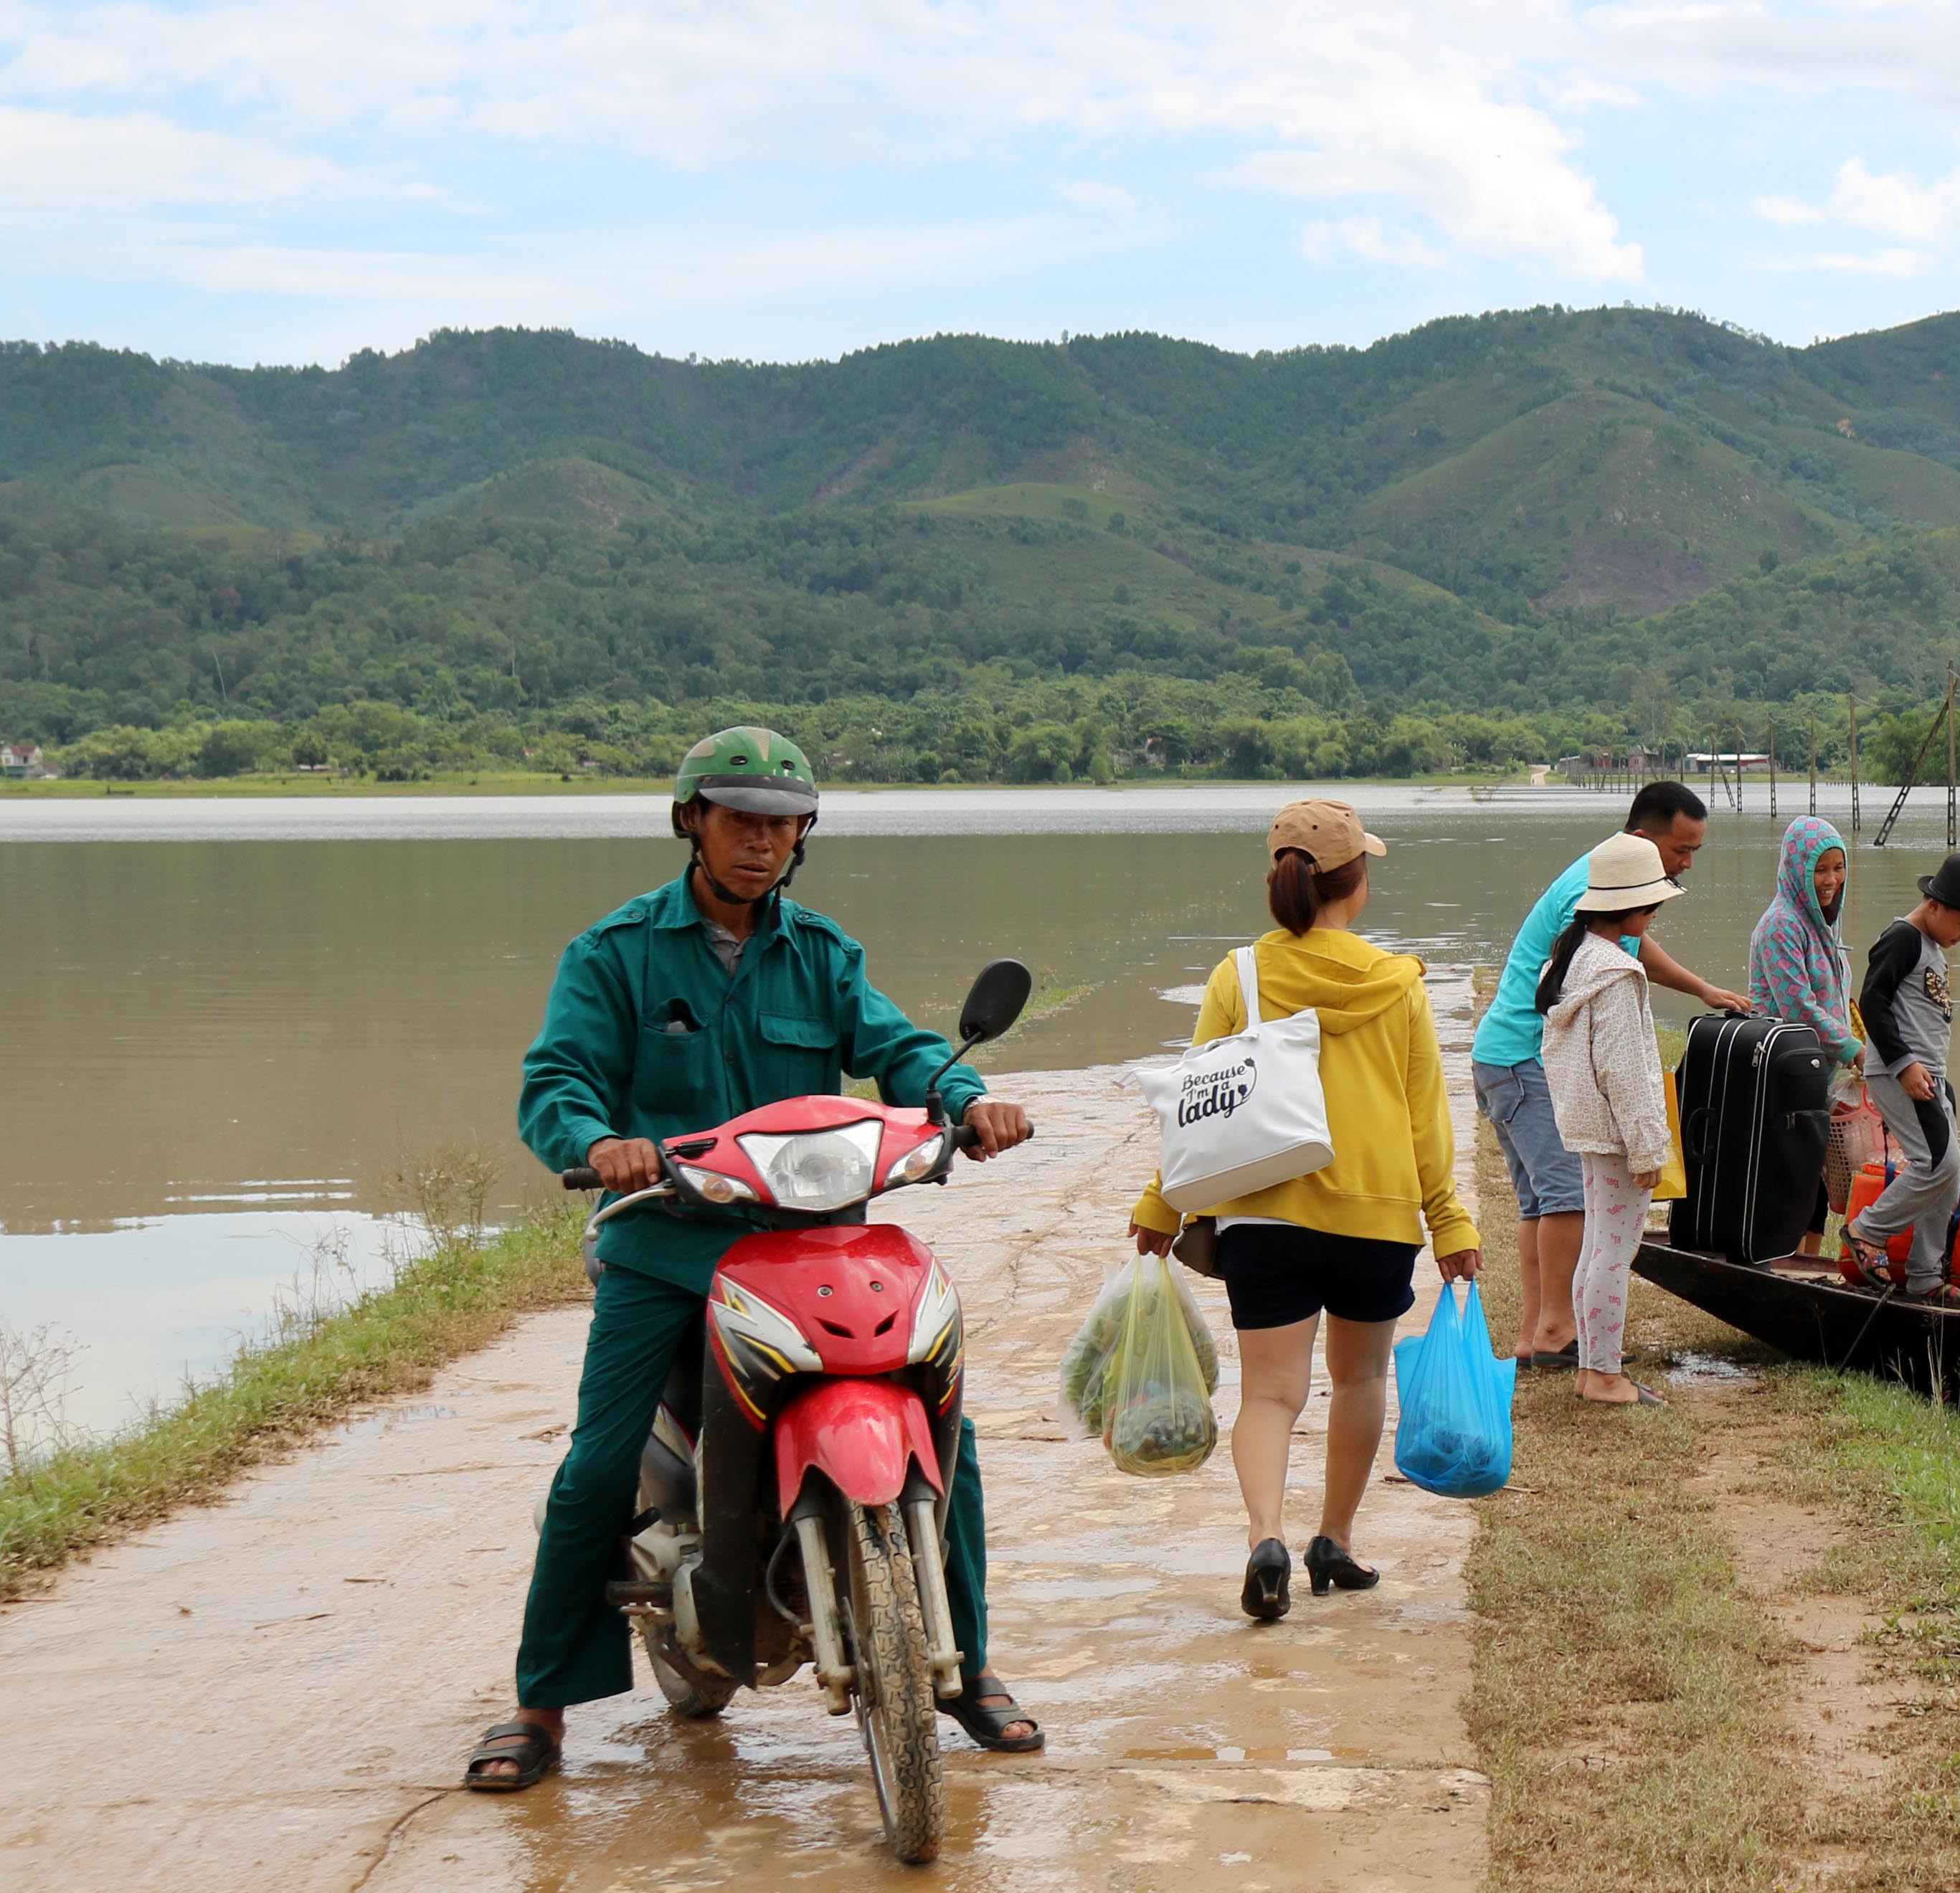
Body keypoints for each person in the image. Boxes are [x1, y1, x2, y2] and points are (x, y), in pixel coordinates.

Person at [472, 725, 1038, 1793]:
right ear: (693, 821)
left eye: (781, 827)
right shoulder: (618, 952)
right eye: (740, 821)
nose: (760, 844)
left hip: (811, 1241)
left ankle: (964, 1668)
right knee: (596, 1465)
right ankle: (539, 1704)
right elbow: (559, 1080)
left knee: (943, 1435)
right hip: (668, 1247)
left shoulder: (820, 952)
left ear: (802, 839)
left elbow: (898, 1049)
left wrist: (962, 1099)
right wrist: (600, 1146)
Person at [1129, 799, 1486, 1624]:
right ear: (1356, 883)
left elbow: (1198, 1101)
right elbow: (1425, 1112)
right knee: (1359, 1377)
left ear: (1278, 883)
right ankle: (1335, 1539)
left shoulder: (1239, 975)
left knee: (1269, 1397)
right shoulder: (1399, 983)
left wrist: (1161, 1203)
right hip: (1378, 1215)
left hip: (1265, 1215)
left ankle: (1266, 1534)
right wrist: (1450, 1221)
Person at [1470, 782, 1743, 1367]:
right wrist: (1699, 988)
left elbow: (1632, 939)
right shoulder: (1595, 900)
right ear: (1643, 841)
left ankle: (1539, 1332)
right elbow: (1626, 956)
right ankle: (1557, 1331)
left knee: (1543, 1204)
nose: (1686, 864)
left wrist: (1700, 988)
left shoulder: (1599, 878)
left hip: (1504, 1054)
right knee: (1568, 1201)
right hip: (1527, 1056)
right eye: (1680, 851)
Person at [1538, 834, 1687, 1405]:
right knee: (1615, 1253)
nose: (1654, 916)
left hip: (1588, 1126)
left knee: (1598, 1246)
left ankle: (1593, 1367)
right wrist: (1650, 1149)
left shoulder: (1571, 958)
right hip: (1618, 1132)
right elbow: (1626, 1071)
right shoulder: (1620, 973)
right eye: (1652, 906)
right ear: (1630, 908)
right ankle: (1602, 1373)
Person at [1844, 851, 1960, 1296]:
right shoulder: (1904, 938)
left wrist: (1934, 1075)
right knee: (1938, 1164)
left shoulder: (1931, 945)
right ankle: (1868, 1230)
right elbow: (1873, 1001)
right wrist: (1904, 1064)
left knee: (1948, 1174)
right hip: (1900, 1071)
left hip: (1927, 1073)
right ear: (1934, 906)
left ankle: (1926, 1277)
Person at [1744, 812, 1879, 1249]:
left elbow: (1836, 995)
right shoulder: (1782, 925)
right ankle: (1782, 1256)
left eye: (1839, 868)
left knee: (1823, 1173)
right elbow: (1799, 1008)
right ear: (1796, 869)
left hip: (1821, 1065)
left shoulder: (1824, 921)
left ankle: (1809, 1260)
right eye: (1820, 869)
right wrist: (1854, 1049)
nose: (1831, 879)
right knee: (1797, 1170)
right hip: (1786, 1068)